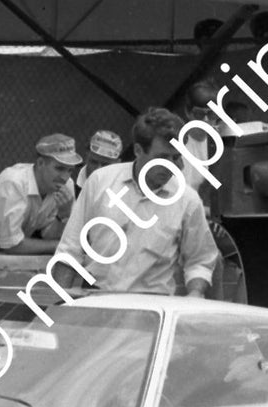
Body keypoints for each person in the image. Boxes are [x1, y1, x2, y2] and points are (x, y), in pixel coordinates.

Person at [54, 108, 219, 298]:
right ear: (138, 150)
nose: (171, 166)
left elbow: (200, 260)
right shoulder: (100, 181)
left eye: (176, 157)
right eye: (162, 157)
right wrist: (58, 302)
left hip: (154, 303)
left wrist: (195, 293)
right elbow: (70, 250)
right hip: (97, 298)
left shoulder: (187, 200)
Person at [0, 134, 79, 254]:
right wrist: (59, 246)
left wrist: (63, 215)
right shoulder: (13, 182)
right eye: (59, 168)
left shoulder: (66, 185)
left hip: (2, 249)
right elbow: (12, 245)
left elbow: (48, 236)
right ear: (41, 163)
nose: (65, 177)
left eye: (70, 170)